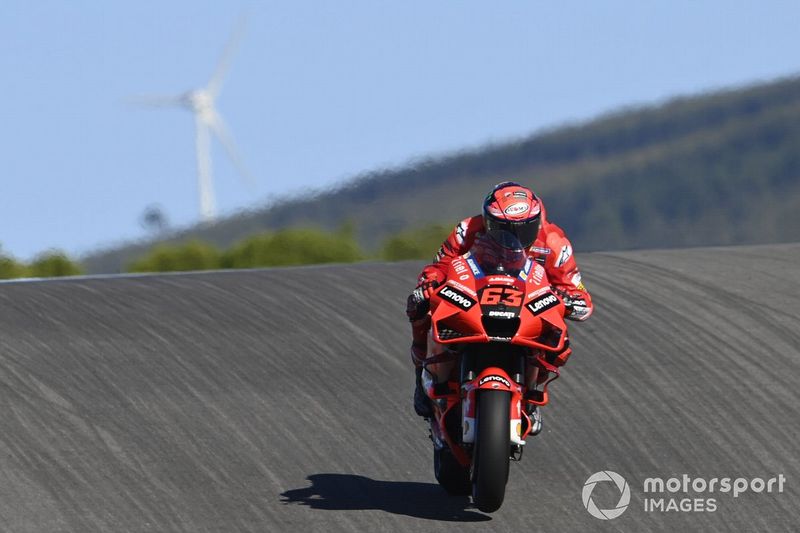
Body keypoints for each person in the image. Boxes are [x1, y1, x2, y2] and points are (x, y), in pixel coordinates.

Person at [405, 181, 594, 431]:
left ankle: (532, 394)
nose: (512, 237)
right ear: (487, 221)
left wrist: (570, 300)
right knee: (421, 305)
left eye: (521, 229)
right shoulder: (467, 229)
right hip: (475, 296)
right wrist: (430, 282)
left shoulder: (555, 243)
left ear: (536, 222)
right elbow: (439, 266)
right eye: (502, 228)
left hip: (527, 306)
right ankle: (422, 373)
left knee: (559, 340)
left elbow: (578, 293)